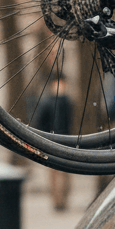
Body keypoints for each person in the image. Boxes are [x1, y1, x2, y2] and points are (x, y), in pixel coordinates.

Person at [30, 77, 74, 212]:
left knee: (66, 172)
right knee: (55, 172)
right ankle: (57, 200)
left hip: (66, 140)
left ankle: (63, 199)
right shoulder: (47, 102)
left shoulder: (67, 101)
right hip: (52, 140)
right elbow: (40, 121)